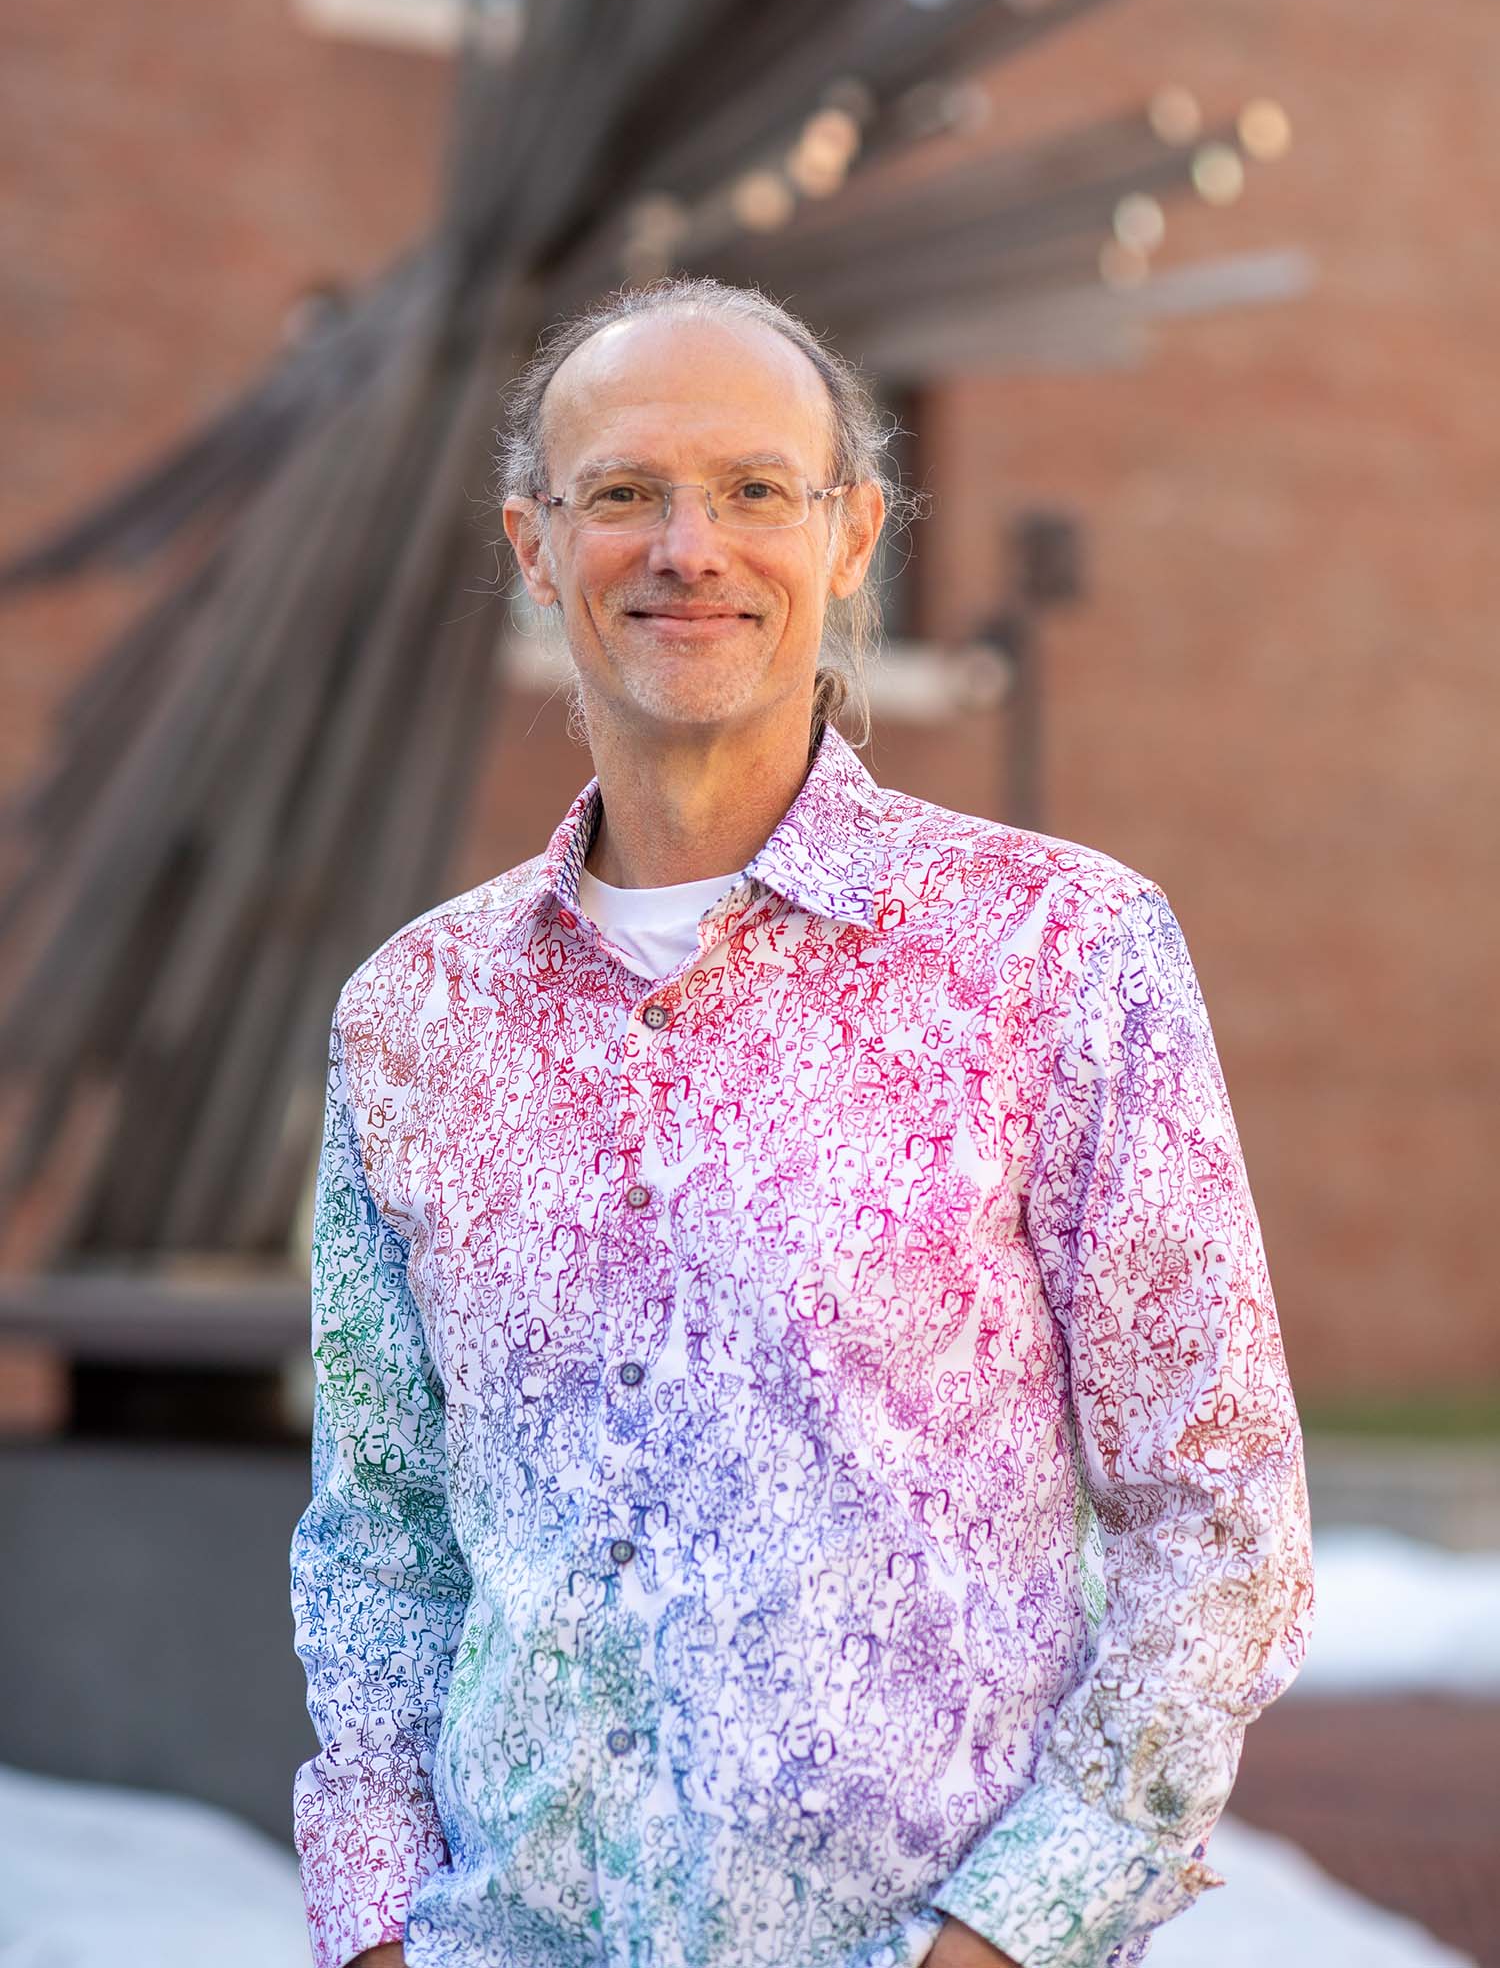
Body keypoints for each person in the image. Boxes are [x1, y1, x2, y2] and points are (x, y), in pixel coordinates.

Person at [289, 277, 1315, 1968]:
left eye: (756, 491)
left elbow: (1216, 1522)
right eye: (623, 493)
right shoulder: (412, 1016)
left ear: (853, 539)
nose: (689, 546)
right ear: (537, 549)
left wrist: (1010, 1938)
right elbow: (382, 1549)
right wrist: (376, 1931)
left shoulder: (1059, 955)